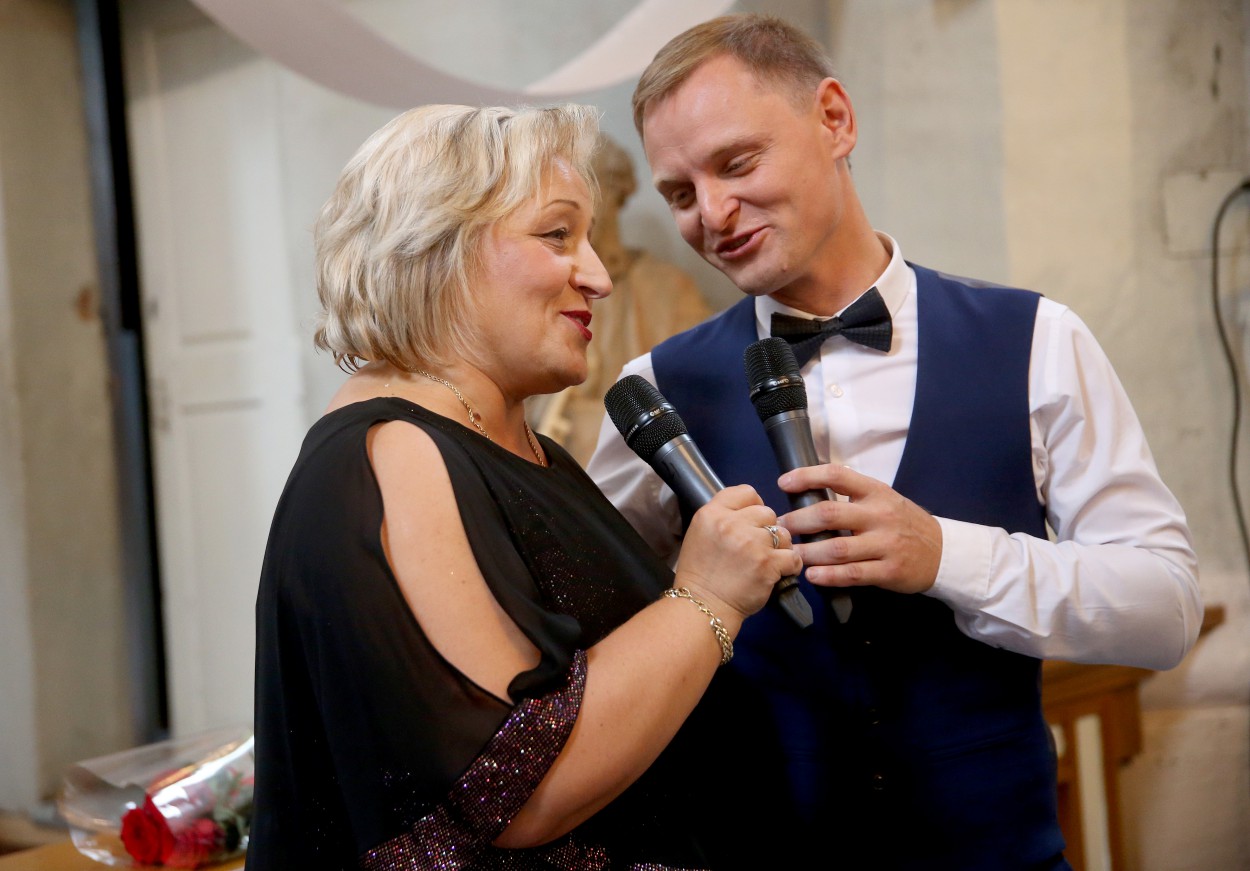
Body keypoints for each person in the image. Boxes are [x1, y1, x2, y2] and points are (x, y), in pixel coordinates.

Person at [587, 13, 1202, 870]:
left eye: (737, 162)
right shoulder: (656, 387)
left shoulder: (1038, 340)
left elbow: (1166, 610)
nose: (713, 213)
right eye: (681, 195)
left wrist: (945, 553)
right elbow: (593, 639)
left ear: (835, 120)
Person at [246, 103, 801, 869]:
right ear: (437, 246)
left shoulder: (521, 447)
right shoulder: (394, 453)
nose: (599, 277)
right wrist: (708, 595)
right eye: (557, 234)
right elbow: (520, 787)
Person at [532, 133, 711, 465]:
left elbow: (699, 399)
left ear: (617, 191)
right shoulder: (540, 289)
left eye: (590, 186)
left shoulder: (669, 289)